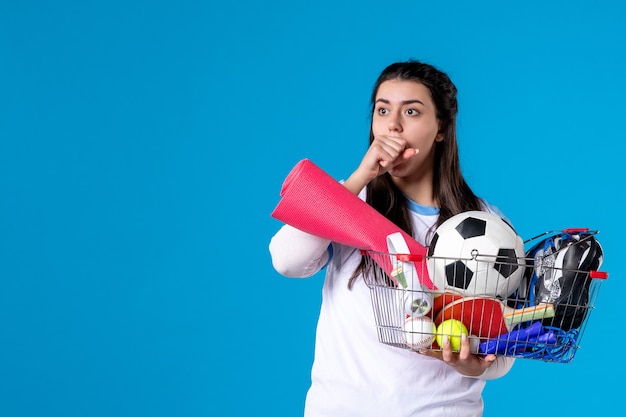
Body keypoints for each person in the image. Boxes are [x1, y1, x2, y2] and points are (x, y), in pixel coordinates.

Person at [269, 60, 515, 416]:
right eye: (382, 110)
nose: (393, 125)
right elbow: (286, 260)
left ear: (441, 128)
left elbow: (503, 344)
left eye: (411, 111)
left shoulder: (489, 226)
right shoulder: (348, 201)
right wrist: (359, 178)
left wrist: (476, 366)